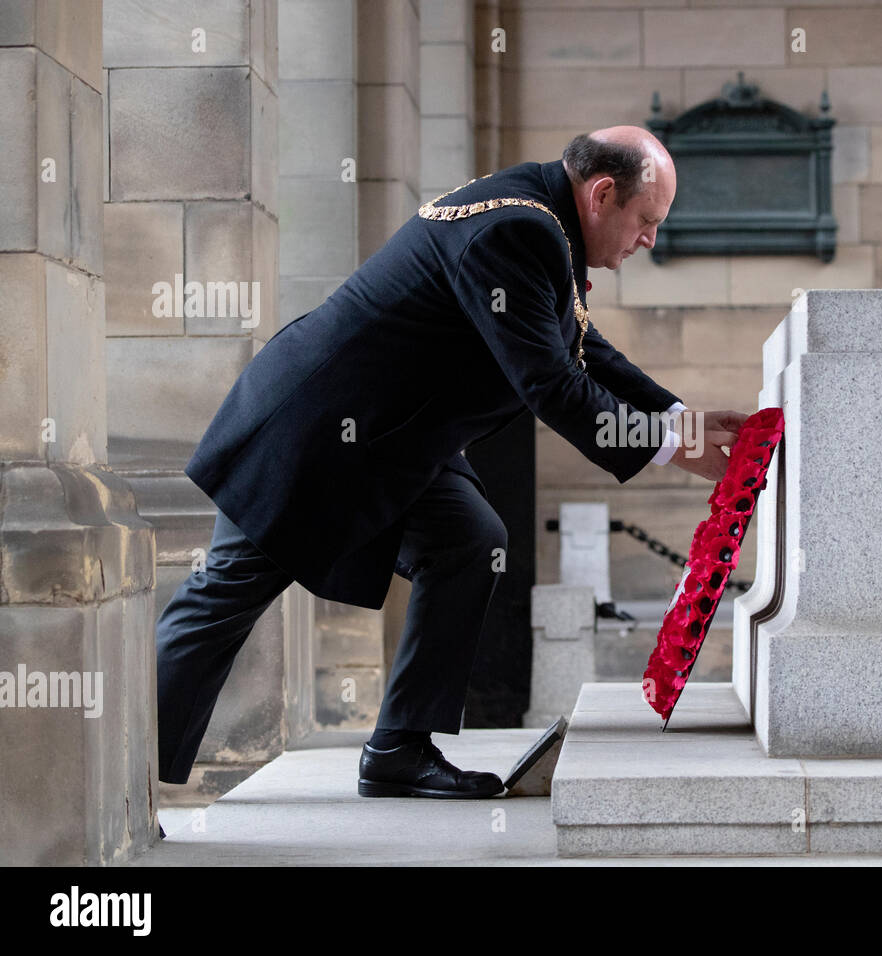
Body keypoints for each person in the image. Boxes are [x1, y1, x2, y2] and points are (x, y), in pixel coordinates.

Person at [154, 125, 749, 801]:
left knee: (469, 541)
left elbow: (578, 340)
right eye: (646, 221)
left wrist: (676, 418)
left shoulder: (540, 216)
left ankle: (399, 750)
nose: (649, 240)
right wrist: (671, 449)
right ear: (603, 194)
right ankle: (123, 788)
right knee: (220, 603)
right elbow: (550, 384)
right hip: (314, 433)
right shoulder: (519, 230)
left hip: (390, 440)